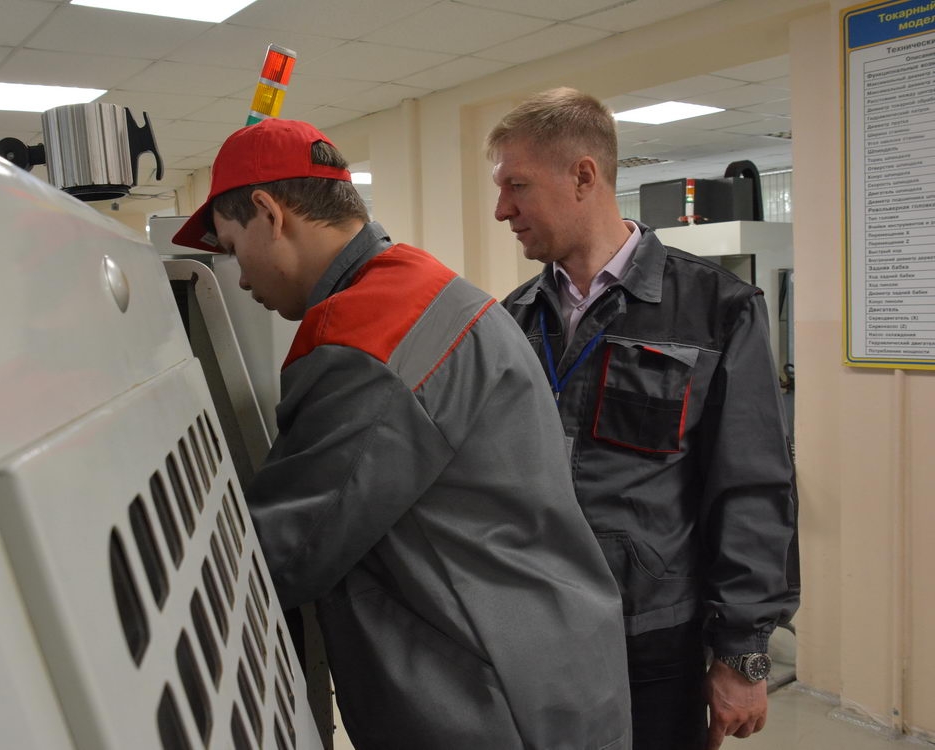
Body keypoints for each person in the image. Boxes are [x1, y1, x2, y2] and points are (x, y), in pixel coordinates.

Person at [172, 117, 632, 750]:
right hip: (548, 663)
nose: (241, 277)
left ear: (269, 213)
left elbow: (288, 549)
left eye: (230, 247)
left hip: (493, 699)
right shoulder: (424, 286)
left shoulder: (369, 334)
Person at [486, 88, 799, 750]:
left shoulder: (718, 309)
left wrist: (742, 654)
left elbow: (752, 489)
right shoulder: (513, 319)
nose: (502, 209)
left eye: (517, 185)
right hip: (535, 631)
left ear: (583, 176)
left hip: (652, 642)